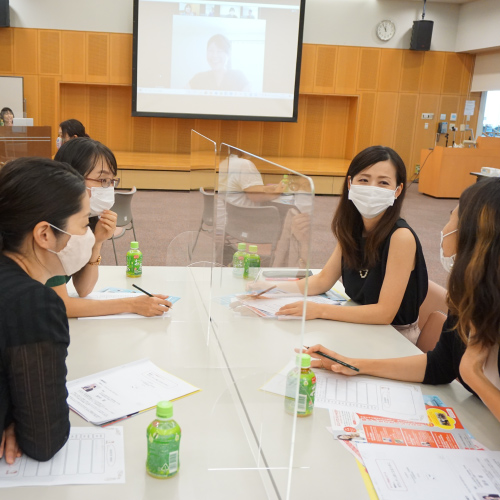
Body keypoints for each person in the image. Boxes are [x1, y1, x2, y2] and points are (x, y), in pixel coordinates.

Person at [303, 178, 500, 425]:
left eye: (453, 218)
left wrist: (473, 374)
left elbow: (463, 370)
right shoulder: (469, 297)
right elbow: (440, 365)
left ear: (476, 238)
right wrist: (355, 364)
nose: (445, 227)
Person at [273, 146, 428, 344]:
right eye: (364, 180)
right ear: (350, 183)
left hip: (392, 337)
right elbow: (322, 280)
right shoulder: (354, 228)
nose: (372, 188)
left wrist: (320, 310)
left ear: (397, 190)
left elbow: (384, 314)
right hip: (359, 325)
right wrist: (270, 289)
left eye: (383, 183)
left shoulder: (401, 237)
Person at [0, 157, 90, 462]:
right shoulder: (33, 303)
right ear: (44, 234)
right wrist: (23, 424)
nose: (86, 235)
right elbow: (44, 441)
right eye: (83, 223)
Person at [49, 137, 171, 318]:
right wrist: (131, 304)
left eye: (111, 181)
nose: (108, 188)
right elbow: (61, 306)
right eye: (102, 180)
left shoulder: (84, 222)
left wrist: (97, 242)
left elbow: (84, 289)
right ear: (71, 177)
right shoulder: (52, 224)